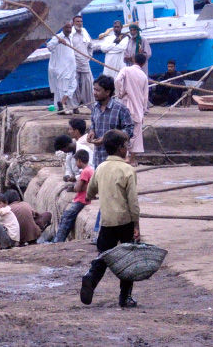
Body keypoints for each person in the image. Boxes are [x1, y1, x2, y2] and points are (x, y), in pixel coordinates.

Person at [79, 129, 141, 308]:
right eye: (126, 146)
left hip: (106, 221)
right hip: (125, 221)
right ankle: (125, 297)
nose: (127, 149)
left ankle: (91, 276)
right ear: (121, 148)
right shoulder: (127, 170)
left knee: (104, 255)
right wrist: (136, 224)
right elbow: (133, 202)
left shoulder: (100, 168)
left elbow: (90, 192)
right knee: (128, 259)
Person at [85, 75, 134, 169]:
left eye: (98, 90)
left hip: (115, 159)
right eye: (94, 89)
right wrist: (91, 132)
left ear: (107, 92)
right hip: (98, 156)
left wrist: (107, 138)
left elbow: (129, 130)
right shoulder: (95, 108)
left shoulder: (121, 109)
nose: (94, 93)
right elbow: (93, 125)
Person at [115, 53, 150, 164]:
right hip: (138, 108)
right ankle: (132, 159)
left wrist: (120, 93)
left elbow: (117, 80)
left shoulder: (126, 70)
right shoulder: (144, 76)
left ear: (133, 60)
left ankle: (123, 157)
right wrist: (144, 110)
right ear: (144, 63)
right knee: (136, 135)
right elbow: (145, 97)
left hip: (125, 106)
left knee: (123, 133)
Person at [55, 149, 94, 242]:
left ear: (79, 160)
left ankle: (58, 240)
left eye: (76, 161)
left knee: (66, 217)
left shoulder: (84, 172)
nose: (76, 163)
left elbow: (77, 188)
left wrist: (75, 185)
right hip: (85, 198)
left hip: (81, 200)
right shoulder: (91, 170)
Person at [47, 22, 77, 113]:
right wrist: (58, 41)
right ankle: (61, 108)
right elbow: (49, 46)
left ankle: (62, 103)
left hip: (71, 68)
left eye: (70, 28)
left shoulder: (71, 37)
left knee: (73, 85)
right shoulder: (57, 37)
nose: (68, 29)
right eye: (66, 27)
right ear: (62, 27)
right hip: (62, 69)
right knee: (61, 89)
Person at [69, 15, 94, 113]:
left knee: (88, 84)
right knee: (74, 86)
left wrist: (89, 56)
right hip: (74, 64)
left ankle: (91, 106)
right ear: (73, 23)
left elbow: (91, 45)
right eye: (77, 21)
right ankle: (74, 106)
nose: (79, 23)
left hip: (85, 63)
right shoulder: (71, 34)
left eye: (81, 21)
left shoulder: (85, 32)